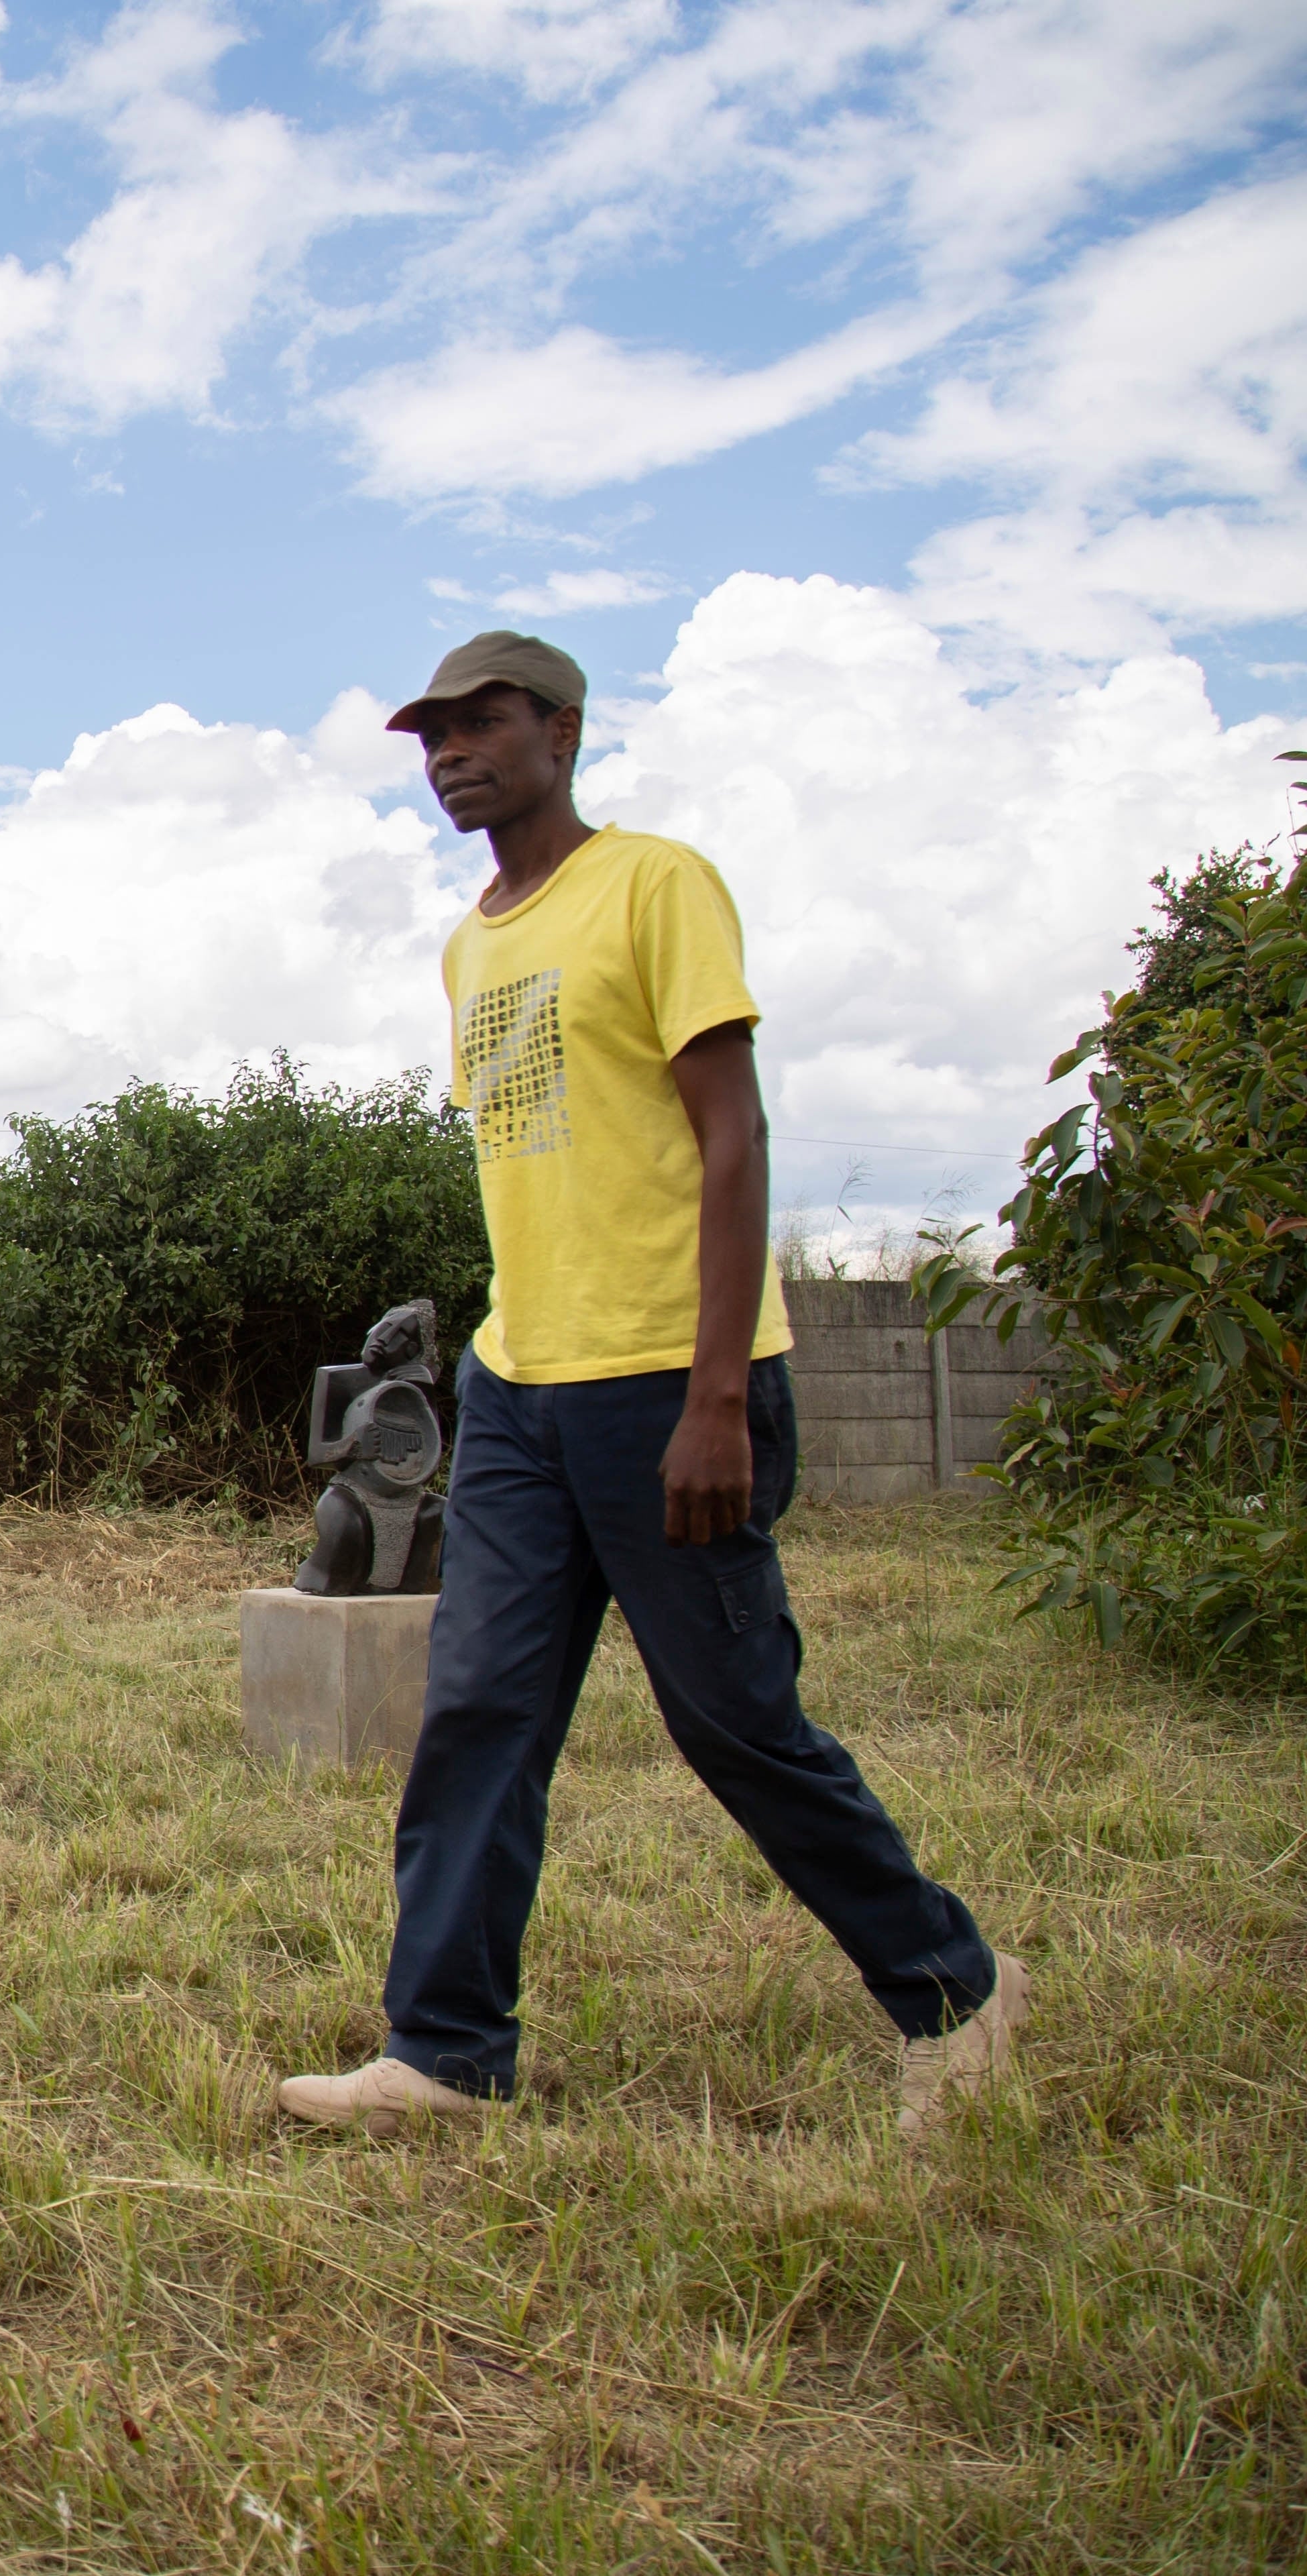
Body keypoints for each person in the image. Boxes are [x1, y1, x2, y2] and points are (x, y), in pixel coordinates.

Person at [276, 631, 1027, 2142]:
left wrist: (712, 1399)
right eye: (432, 734)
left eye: (484, 723)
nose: (452, 753)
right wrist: (506, 1367)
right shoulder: (472, 942)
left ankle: (959, 1997)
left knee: (736, 1723)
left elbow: (730, 1139)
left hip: (668, 1388)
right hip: (520, 1391)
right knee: (477, 1716)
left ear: (561, 732)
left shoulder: (656, 885)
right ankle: (444, 2053)